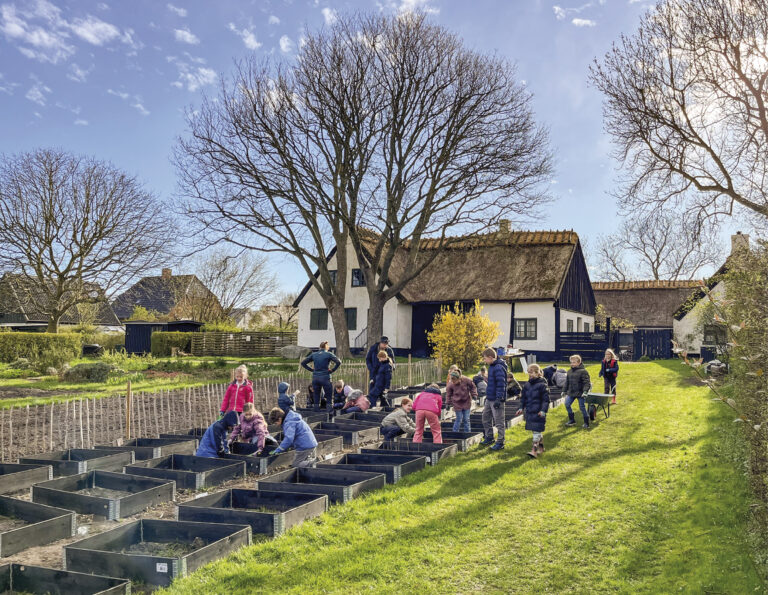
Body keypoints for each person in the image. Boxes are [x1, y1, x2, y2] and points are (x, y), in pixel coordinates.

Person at [517, 364, 550, 458]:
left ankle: (534, 451)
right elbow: (523, 398)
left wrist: (543, 411)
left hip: (539, 412)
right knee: (536, 430)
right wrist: (520, 408)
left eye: (531, 372)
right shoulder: (527, 385)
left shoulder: (543, 385)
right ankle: (541, 448)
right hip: (530, 411)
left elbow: (546, 400)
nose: (529, 374)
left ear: (538, 373)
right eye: (529, 373)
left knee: (536, 431)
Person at [479, 347, 508, 451]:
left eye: (485, 358)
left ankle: (500, 442)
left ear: (491, 357)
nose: (484, 360)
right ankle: (489, 437)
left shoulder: (498, 368)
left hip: (497, 399)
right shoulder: (492, 366)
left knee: (499, 421)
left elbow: (501, 384)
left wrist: (499, 399)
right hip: (490, 397)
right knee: (485, 417)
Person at [301, 342, 341, 412]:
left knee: (316, 396)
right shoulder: (329, 354)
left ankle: (316, 413)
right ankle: (329, 414)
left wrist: (311, 370)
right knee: (329, 397)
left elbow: (303, 363)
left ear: (320, 347)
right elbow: (338, 362)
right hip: (325, 377)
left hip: (315, 378)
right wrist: (332, 370)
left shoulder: (314, 354)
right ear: (327, 347)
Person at [446, 368, 477, 433]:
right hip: (457, 403)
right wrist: (447, 403)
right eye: (452, 381)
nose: (454, 382)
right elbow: (448, 394)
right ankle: (455, 433)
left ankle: (467, 433)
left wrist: (474, 394)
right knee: (458, 419)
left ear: (459, 378)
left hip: (466, 401)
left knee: (466, 419)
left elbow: (473, 387)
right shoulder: (450, 384)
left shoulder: (466, 380)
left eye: (455, 381)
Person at [565, 354, 592, 429]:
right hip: (571, 392)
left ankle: (586, 423)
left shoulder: (583, 371)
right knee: (567, 404)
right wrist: (564, 391)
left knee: (582, 407)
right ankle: (572, 420)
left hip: (580, 393)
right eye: (571, 362)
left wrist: (585, 391)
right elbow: (567, 382)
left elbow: (587, 383)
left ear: (579, 363)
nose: (572, 364)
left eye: (574, 362)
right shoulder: (569, 371)